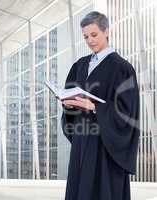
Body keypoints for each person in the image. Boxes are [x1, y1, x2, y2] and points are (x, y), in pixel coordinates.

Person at [61, 11, 140, 200]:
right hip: (81, 143)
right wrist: (69, 104)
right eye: (86, 37)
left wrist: (95, 107)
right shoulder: (79, 66)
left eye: (94, 35)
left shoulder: (122, 68)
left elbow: (129, 112)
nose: (89, 40)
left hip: (106, 148)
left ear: (106, 31)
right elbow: (70, 103)